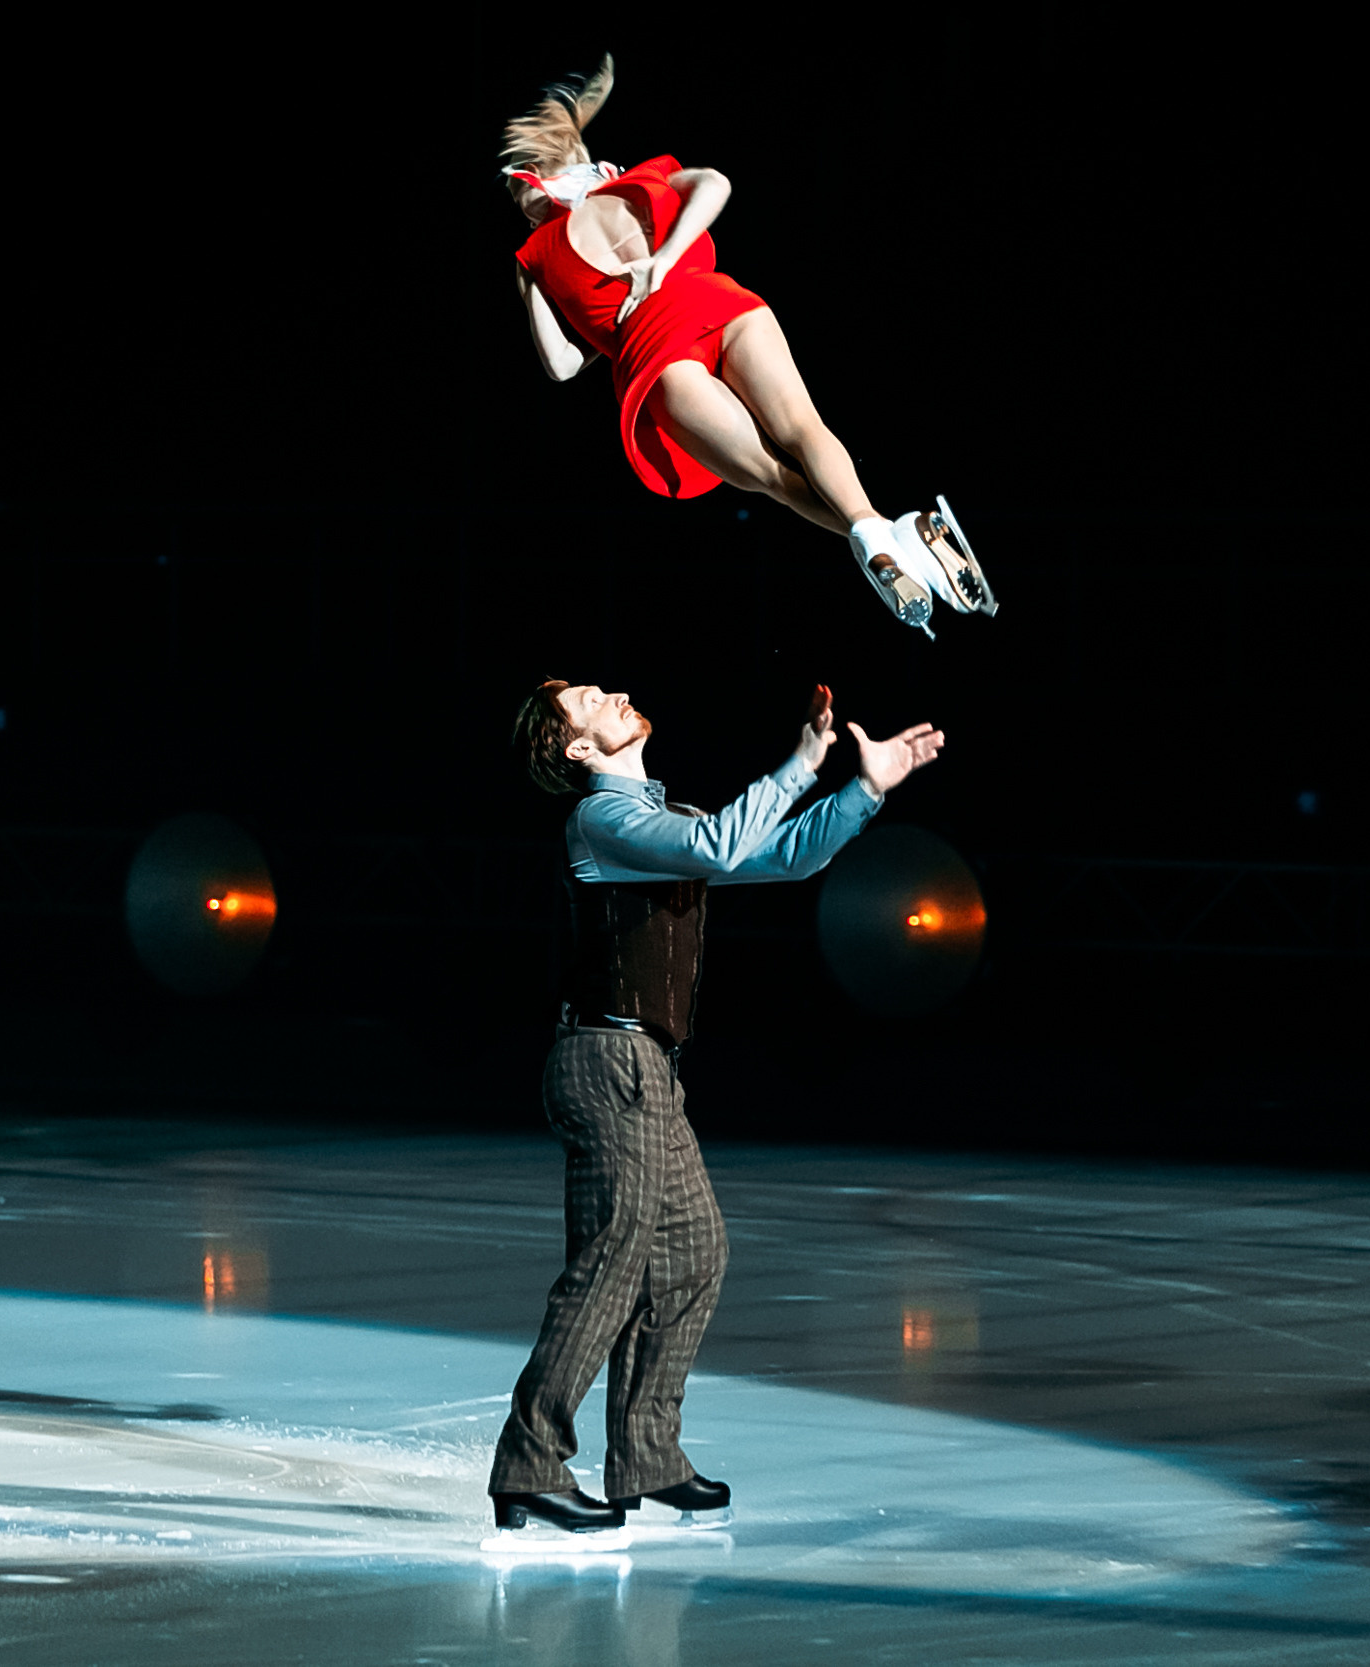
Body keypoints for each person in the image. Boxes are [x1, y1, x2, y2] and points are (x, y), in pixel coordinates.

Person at [489, 678, 944, 1533]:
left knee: (695, 1252)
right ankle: (529, 1463)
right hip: (604, 1058)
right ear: (580, 750)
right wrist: (801, 762)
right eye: (591, 700)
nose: (617, 692)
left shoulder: (670, 822)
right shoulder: (602, 820)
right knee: (611, 1263)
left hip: (648, 1067)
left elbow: (779, 855)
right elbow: (724, 847)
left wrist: (864, 787)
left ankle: (647, 1455)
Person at [500, 56, 999, 637]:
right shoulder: (637, 180)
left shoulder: (533, 257)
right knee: (804, 429)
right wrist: (661, 262)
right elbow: (717, 183)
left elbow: (560, 368)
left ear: (532, 173)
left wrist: (603, 328)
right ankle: (898, 534)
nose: (515, 202)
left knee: (771, 476)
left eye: (514, 189)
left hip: (656, 357)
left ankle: (882, 536)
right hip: (718, 304)